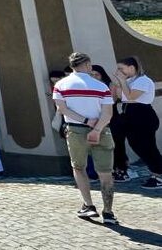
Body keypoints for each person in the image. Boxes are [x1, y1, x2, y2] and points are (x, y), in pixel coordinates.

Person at [53, 52, 117, 224]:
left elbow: (62, 109)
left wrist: (85, 121)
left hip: (75, 130)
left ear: (72, 66)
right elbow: (108, 113)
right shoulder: (100, 86)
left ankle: (88, 205)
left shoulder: (60, 85)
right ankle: (108, 212)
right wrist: (96, 129)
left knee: (79, 168)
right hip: (102, 131)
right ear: (88, 64)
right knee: (105, 173)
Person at [113, 56, 162, 190]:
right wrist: (120, 82)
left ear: (132, 68)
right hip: (130, 114)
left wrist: (122, 81)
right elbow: (119, 96)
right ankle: (155, 173)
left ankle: (158, 175)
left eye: (121, 68)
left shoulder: (143, 81)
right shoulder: (130, 81)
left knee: (147, 146)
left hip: (142, 115)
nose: (119, 71)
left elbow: (130, 97)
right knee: (136, 145)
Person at [90, 64, 129, 183]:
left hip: (113, 119)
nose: (94, 77)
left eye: (97, 74)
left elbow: (112, 100)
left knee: (117, 145)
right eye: (92, 75)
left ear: (102, 75)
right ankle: (109, 170)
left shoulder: (110, 85)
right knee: (103, 147)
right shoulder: (88, 87)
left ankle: (122, 170)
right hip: (97, 120)